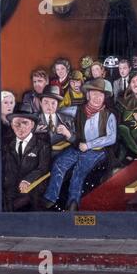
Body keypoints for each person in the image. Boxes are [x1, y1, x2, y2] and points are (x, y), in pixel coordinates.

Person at [43, 78, 117, 211]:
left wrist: (89, 145)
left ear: (104, 97)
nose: (97, 98)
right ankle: (51, 196)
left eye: (100, 95)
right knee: (59, 163)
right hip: (77, 148)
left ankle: (73, 202)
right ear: (87, 95)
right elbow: (60, 110)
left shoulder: (108, 115)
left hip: (97, 151)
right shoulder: (77, 110)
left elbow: (111, 138)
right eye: (94, 94)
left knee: (79, 170)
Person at [2, 103, 51, 212]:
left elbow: (43, 168)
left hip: (32, 189)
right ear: (11, 125)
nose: (21, 127)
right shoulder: (7, 146)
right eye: (16, 123)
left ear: (32, 125)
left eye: (25, 123)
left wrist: (27, 180)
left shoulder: (42, 145)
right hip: (9, 191)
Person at [34, 85, 75, 156]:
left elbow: (79, 142)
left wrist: (68, 134)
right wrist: (33, 131)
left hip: (62, 157)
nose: (49, 106)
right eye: (46, 102)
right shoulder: (33, 120)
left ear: (58, 104)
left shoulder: (68, 120)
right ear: (40, 103)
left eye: (53, 103)